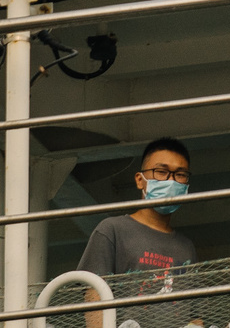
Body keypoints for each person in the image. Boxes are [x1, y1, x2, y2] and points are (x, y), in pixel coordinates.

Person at [77, 138, 199, 326]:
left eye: (180, 174)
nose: (171, 181)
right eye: (161, 172)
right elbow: (94, 298)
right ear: (140, 180)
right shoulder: (112, 230)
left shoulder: (186, 247)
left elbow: (194, 314)